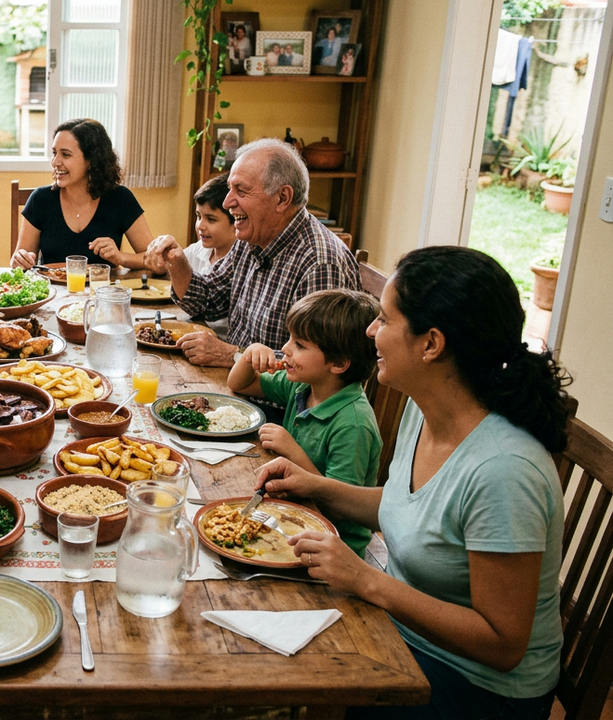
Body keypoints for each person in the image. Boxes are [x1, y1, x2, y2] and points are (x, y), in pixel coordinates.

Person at [254, 246, 570, 719]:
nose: (370, 331)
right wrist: (314, 486)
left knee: (269, 687)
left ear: (431, 344)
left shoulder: (504, 470)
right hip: (401, 631)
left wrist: (366, 581)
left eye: (383, 319)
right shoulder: (423, 412)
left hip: (475, 688)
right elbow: (411, 506)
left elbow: (502, 643)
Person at [145, 138, 361, 367]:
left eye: (241, 190)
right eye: (230, 189)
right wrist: (178, 262)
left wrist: (232, 356)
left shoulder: (320, 263)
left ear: (282, 198)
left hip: (274, 401)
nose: (228, 202)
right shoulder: (252, 239)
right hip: (238, 386)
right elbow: (208, 300)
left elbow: (315, 369)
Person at [227, 289, 382, 557]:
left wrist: (292, 452)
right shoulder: (303, 386)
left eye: (299, 344)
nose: (285, 348)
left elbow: (337, 508)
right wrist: (249, 353)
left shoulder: (353, 424)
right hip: (291, 514)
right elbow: (239, 383)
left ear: (339, 363)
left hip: (334, 548)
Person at [10, 118, 155, 270]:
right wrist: (19, 260)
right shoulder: (40, 199)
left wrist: (121, 257)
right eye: (54, 153)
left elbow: (154, 260)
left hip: (102, 292)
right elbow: (21, 263)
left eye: (65, 155)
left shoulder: (120, 199)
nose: (55, 162)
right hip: (52, 292)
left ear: (91, 160)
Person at [184, 175, 236, 341]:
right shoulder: (198, 250)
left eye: (211, 219)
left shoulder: (239, 258)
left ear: (236, 222)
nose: (200, 226)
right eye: (198, 216)